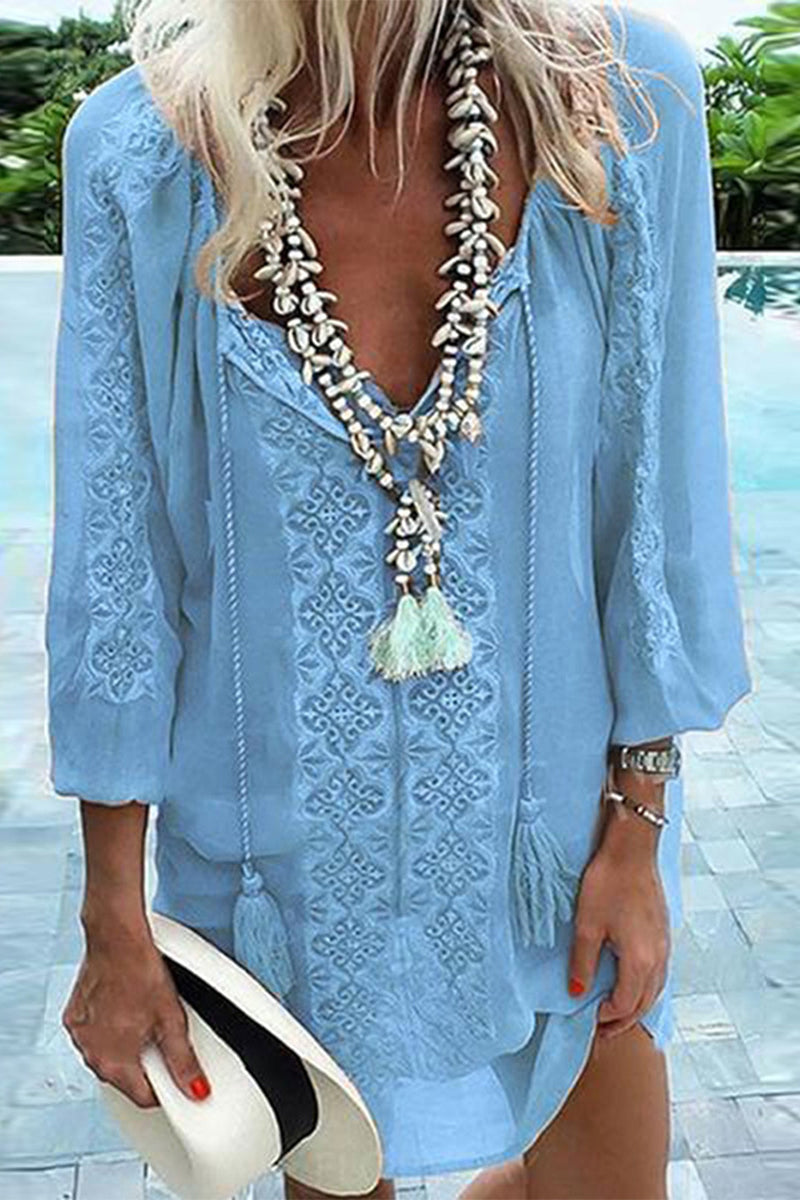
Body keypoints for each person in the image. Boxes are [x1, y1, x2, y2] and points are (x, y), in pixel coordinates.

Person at [46, 1, 752, 1198]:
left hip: (555, 844)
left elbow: (652, 503)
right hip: (276, 867)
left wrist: (636, 825)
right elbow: (117, 562)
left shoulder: (618, 97)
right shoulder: (138, 152)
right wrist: (111, 912)